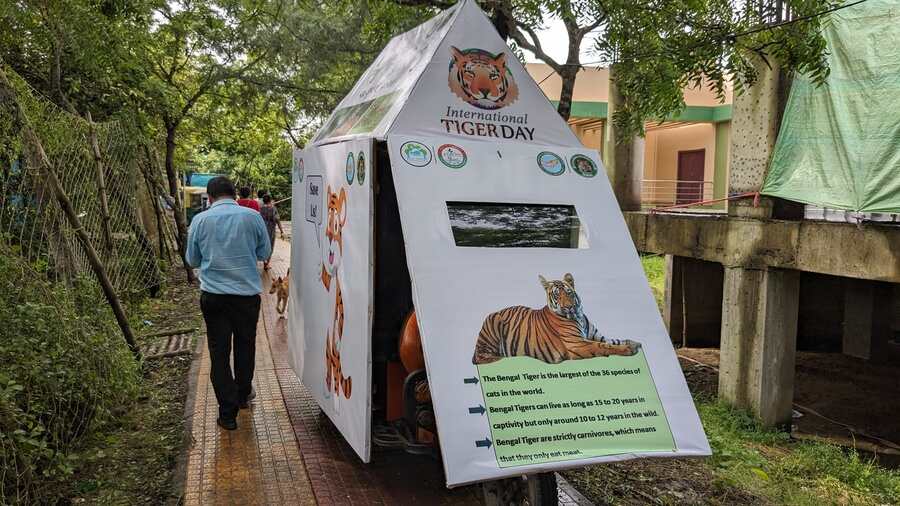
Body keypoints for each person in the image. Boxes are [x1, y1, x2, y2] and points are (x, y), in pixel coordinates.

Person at [186, 176, 271, 431]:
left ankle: (227, 415)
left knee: (219, 353)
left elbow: (193, 260)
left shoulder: (200, 220)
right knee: (245, 347)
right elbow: (264, 253)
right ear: (234, 195)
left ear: (210, 197)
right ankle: (243, 396)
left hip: (214, 298)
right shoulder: (253, 217)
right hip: (246, 298)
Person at [260, 194, 283, 271]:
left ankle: (264, 261)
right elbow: (277, 220)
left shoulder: (261, 208)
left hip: (263, 228)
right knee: (270, 246)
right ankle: (267, 263)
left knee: (264, 245)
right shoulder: (273, 208)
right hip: (271, 229)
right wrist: (281, 231)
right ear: (270, 200)